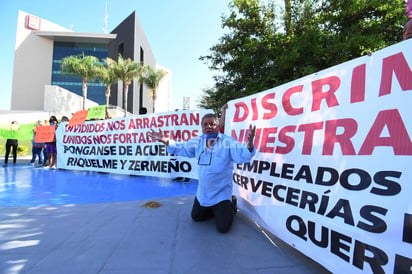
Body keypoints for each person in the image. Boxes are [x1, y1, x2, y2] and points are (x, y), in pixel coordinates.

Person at [149, 112, 256, 233]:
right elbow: (182, 147)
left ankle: (232, 204)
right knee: (196, 217)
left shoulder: (228, 142)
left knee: (223, 228)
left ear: (217, 126)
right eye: (205, 124)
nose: (208, 126)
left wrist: (249, 146)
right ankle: (214, 210)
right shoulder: (197, 142)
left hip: (221, 194)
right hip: (203, 194)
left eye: (212, 124)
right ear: (202, 127)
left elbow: (241, 154)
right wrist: (165, 140)